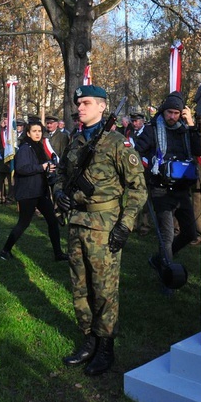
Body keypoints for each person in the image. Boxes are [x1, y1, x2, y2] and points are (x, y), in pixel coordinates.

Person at [53, 85, 147, 376]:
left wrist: (125, 225)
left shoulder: (118, 143)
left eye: (86, 103)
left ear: (103, 107)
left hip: (104, 227)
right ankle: (88, 339)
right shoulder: (76, 140)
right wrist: (58, 192)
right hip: (77, 224)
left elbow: (138, 189)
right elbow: (60, 173)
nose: (80, 108)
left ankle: (106, 347)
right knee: (80, 287)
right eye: (78, 103)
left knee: (104, 290)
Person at [143, 92, 200, 262]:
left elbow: (198, 150)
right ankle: (167, 278)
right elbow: (139, 150)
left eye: (176, 113)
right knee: (166, 236)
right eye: (169, 112)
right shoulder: (153, 128)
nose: (172, 117)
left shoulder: (185, 130)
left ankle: (161, 259)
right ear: (163, 111)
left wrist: (190, 124)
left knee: (190, 233)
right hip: (160, 189)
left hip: (182, 190)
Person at [0, 119, 67, 262]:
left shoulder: (38, 146)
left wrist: (48, 167)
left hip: (40, 191)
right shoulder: (25, 148)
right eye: (34, 131)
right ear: (28, 133)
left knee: (52, 221)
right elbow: (22, 169)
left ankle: (58, 253)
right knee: (23, 223)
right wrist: (41, 167)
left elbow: (39, 165)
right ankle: (5, 250)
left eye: (39, 131)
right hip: (28, 192)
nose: (37, 134)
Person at [0, 115, 15, 204]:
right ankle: (1, 197)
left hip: (10, 160)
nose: (5, 120)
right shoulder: (0, 131)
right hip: (0, 160)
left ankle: (10, 198)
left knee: (11, 181)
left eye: (7, 119)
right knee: (0, 180)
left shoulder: (13, 132)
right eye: (4, 119)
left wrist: (2, 152)